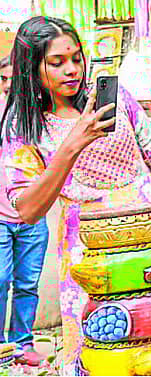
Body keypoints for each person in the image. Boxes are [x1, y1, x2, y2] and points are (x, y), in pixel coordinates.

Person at [0, 17, 151, 374]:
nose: (72, 70)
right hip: (90, 247)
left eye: (76, 58)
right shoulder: (23, 126)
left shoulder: (113, 99)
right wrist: (74, 142)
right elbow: (28, 209)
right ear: (31, 69)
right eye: (57, 62)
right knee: (104, 342)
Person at [0, 53, 47, 367]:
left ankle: (21, 344)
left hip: (33, 216)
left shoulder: (39, 114)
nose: (8, 85)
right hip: (0, 216)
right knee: (0, 279)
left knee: (28, 284)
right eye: (3, 78)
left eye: (13, 78)